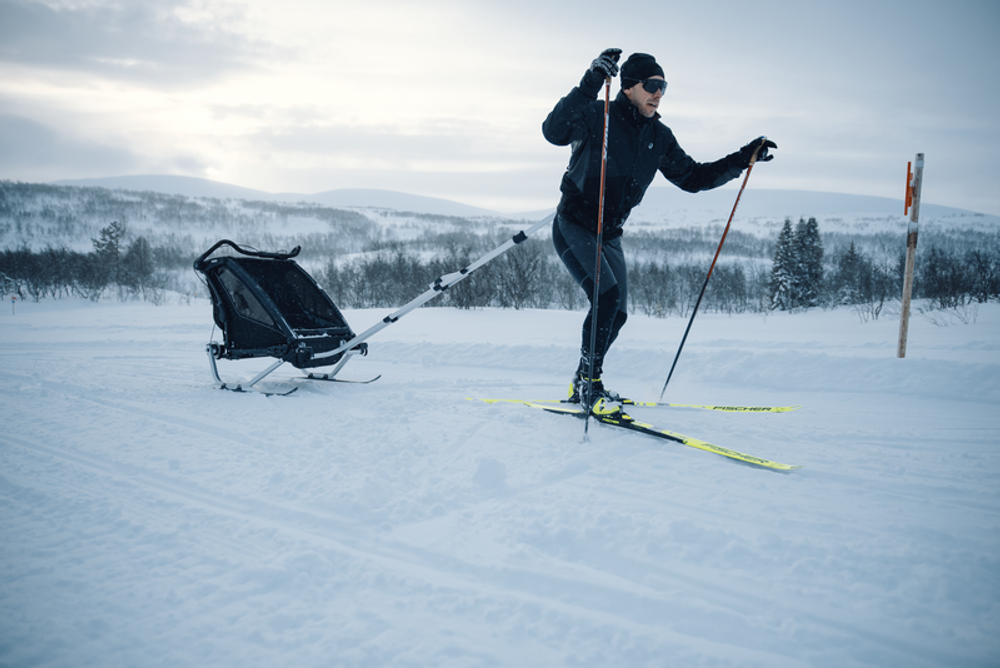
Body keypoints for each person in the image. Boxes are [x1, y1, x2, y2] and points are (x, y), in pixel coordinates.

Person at [543, 48, 776, 412]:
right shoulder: (597, 113)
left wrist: (742, 159)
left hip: (611, 233)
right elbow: (553, 131)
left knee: (616, 311)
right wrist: (590, 81)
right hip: (574, 224)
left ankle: (585, 382)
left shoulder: (659, 136)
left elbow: (695, 178)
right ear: (629, 86)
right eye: (652, 85)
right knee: (605, 299)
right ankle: (589, 386)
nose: (659, 93)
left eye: (663, 86)